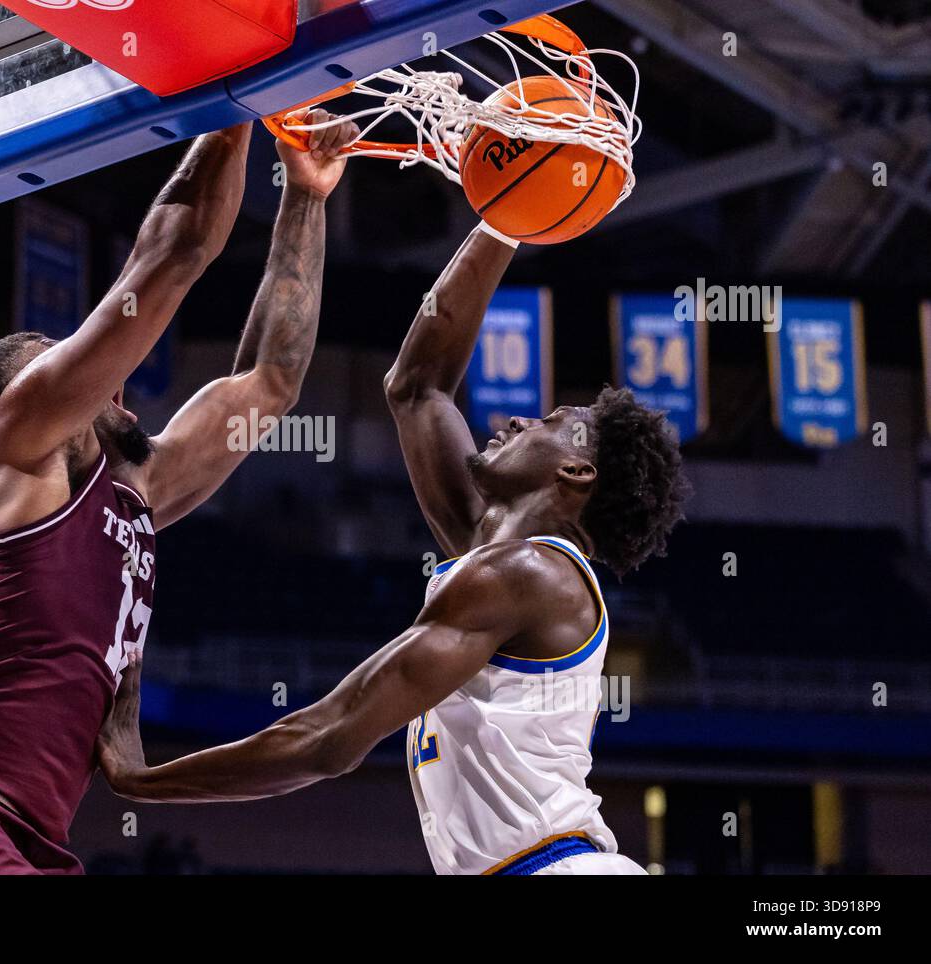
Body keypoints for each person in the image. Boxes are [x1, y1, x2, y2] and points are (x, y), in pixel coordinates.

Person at [0, 113, 359, 874]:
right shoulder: (19, 452)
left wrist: (306, 198)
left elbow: (272, 383)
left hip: (27, 838)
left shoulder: (137, 495)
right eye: (64, 362)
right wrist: (235, 106)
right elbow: (173, 253)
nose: (102, 368)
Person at [98, 224, 690, 875]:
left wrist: (144, 780)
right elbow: (417, 385)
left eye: (548, 423)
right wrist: (505, 222)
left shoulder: (524, 575)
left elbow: (330, 738)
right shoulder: (501, 560)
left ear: (577, 474)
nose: (519, 419)